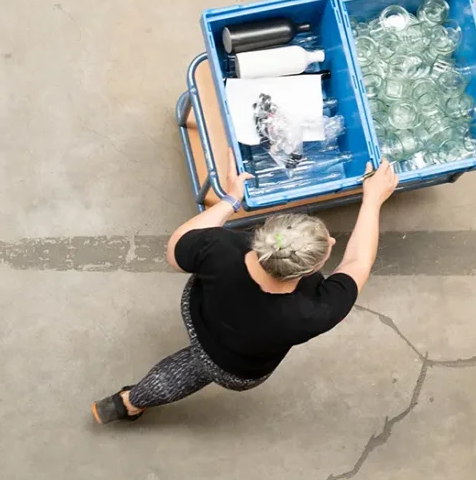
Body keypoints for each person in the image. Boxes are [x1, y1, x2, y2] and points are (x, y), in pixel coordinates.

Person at [92, 162, 400, 423]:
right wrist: (372, 202)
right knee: (196, 368)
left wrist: (231, 199)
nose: (332, 243)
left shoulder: (220, 247)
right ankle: (129, 402)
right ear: (308, 272)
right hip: (233, 362)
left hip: (198, 311)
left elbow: (177, 248)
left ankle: (127, 403)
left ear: (268, 230)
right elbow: (358, 261)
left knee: (195, 356)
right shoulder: (312, 313)